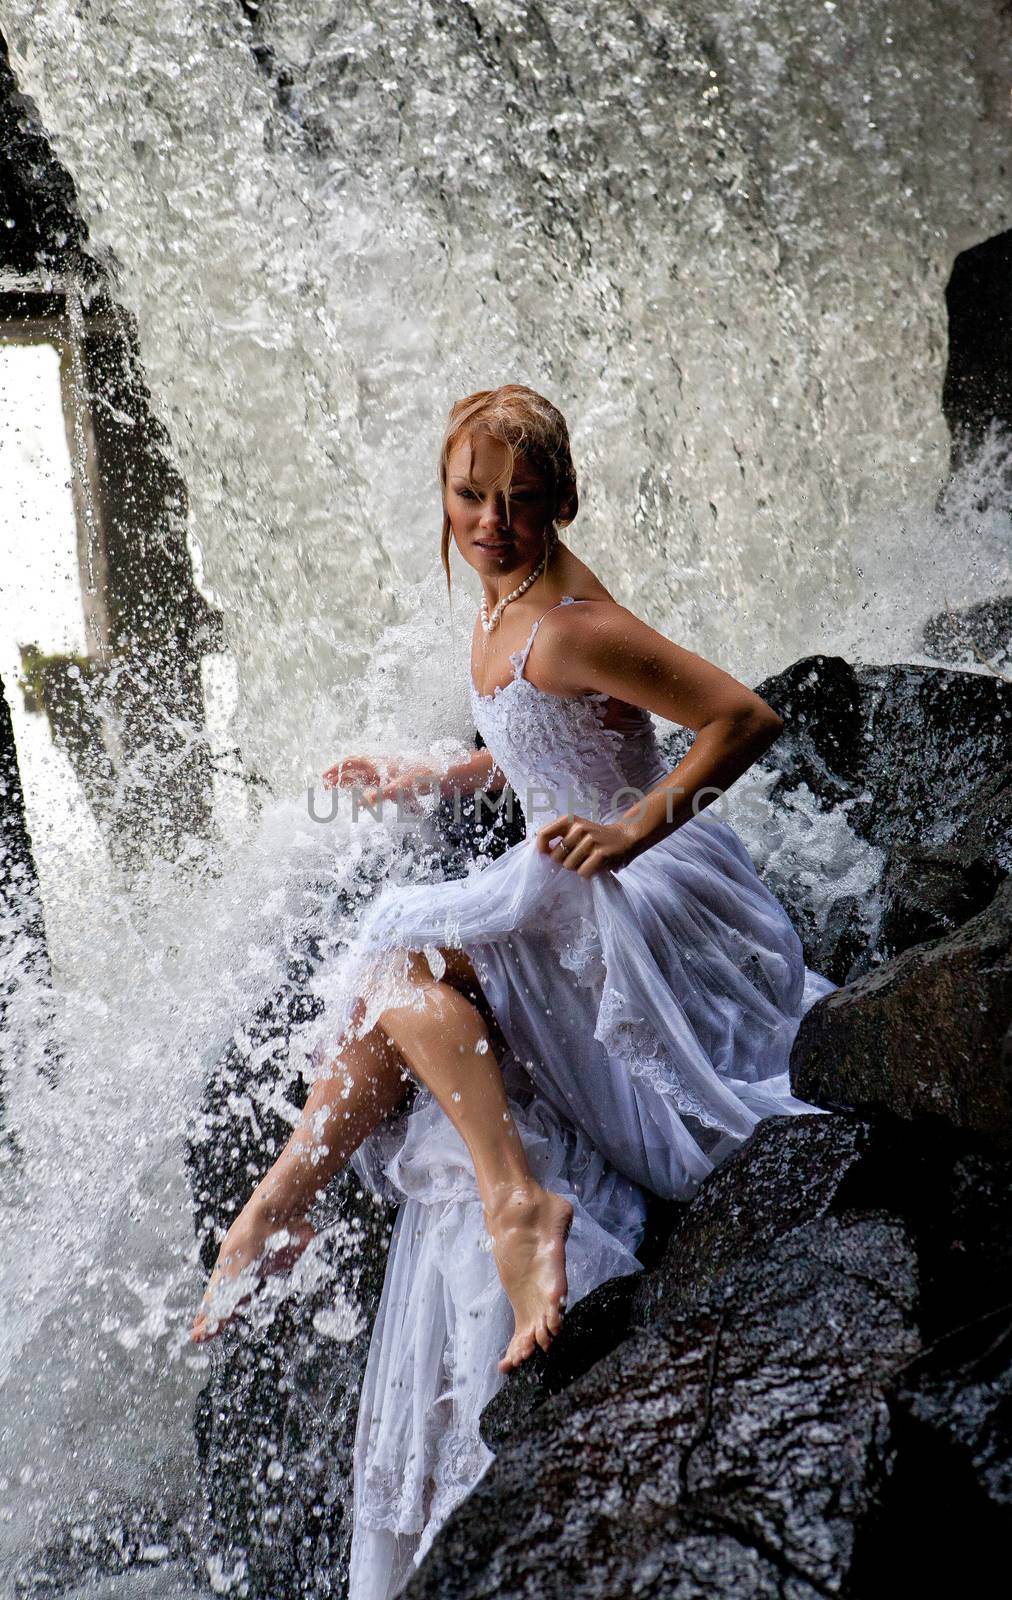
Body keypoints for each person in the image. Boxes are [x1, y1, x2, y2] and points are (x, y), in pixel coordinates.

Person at [190, 384, 833, 1598]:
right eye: (469, 496)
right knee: (399, 964)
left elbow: (743, 717)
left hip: (647, 900)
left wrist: (634, 831)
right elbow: (546, 735)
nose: (490, 521)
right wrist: (439, 771)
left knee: (398, 958)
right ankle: (390, 1199)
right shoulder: (503, 602)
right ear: (443, 495)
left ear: (560, 504)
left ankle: (378, 1200)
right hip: (560, 865)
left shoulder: (573, 618)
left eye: (519, 504)